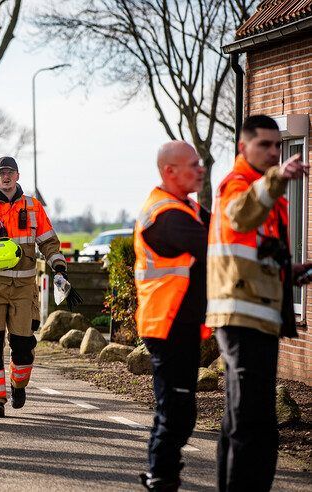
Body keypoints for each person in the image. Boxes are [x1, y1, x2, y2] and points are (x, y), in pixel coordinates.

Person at [207, 115, 310, 491]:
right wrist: (278, 177)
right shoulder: (239, 186)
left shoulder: (265, 191)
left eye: (276, 145)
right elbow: (241, 215)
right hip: (240, 316)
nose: (272, 151)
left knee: (242, 420)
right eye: (263, 145)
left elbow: (256, 254)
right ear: (242, 147)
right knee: (255, 423)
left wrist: (289, 269)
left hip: (257, 317)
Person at [0, 156, 70, 418]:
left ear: (18, 175)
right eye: (2, 173)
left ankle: (18, 384)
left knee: (23, 347)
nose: (7, 177)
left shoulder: (33, 206)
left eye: (11, 172)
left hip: (24, 286)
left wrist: (59, 267)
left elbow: (48, 241)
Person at [134, 141, 209, 491]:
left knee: (176, 406)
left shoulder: (186, 208)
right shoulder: (168, 216)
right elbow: (218, 246)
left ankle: (161, 473)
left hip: (178, 321)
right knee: (176, 408)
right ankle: (161, 477)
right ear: (170, 171)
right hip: (167, 323)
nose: (201, 169)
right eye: (194, 164)